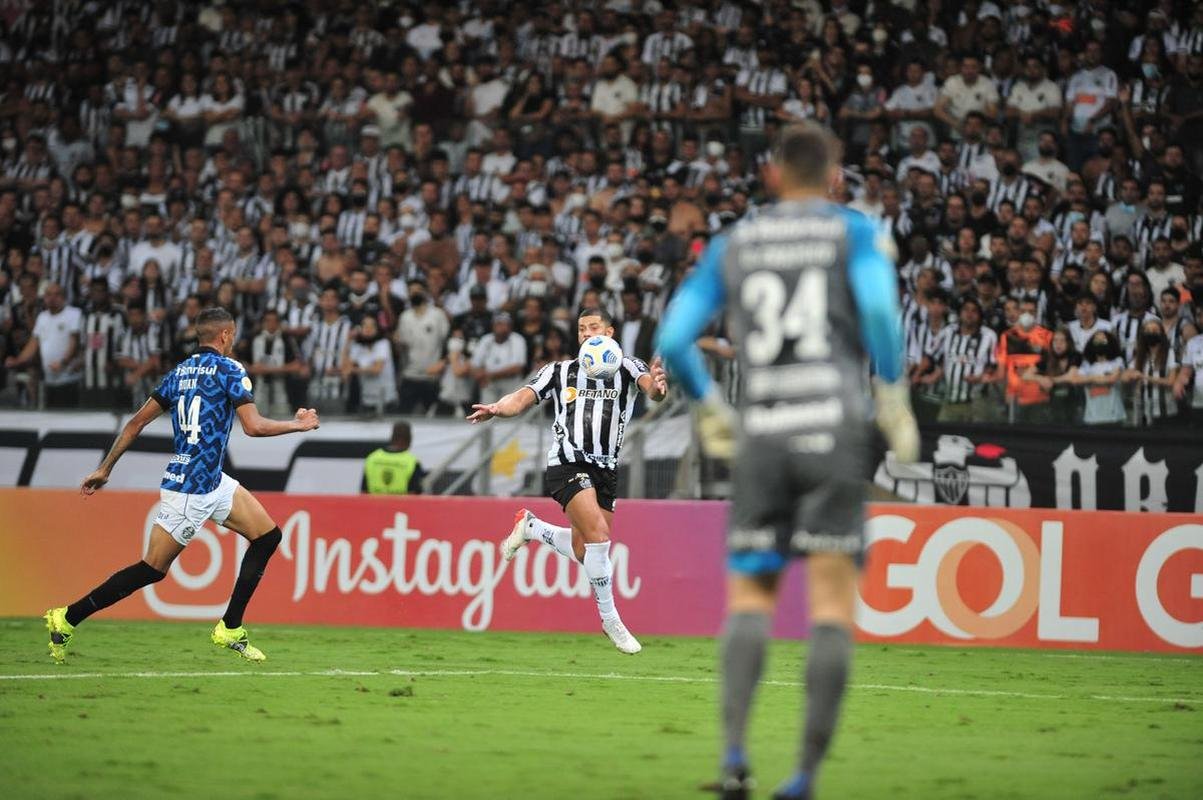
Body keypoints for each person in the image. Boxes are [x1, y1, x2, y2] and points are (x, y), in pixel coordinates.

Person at [655, 122, 919, 800]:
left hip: (762, 433)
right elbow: (884, 318)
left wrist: (709, 406)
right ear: (834, 178)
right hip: (832, 427)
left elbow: (675, 337)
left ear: (772, 176)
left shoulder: (735, 240)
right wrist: (889, 393)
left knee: (751, 596)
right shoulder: (853, 232)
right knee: (829, 604)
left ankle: (735, 761)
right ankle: (802, 778)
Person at [43, 308, 320, 664]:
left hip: (210, 481)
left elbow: (133, 424)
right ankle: (67, 617)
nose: (232, 341)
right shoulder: (230, 370)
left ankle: (230, 627)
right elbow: (252, 427)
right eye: (232, 335)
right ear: (224, 336)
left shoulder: (178, 373)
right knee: (152, 569)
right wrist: (298, 425)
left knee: (267, 537)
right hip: (193, 489)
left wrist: (105, 468)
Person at [466, 307, 668, 654]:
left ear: (610, 333)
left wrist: (660, 387)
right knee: (600, 538)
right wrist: (498, 408)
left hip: (607, 469)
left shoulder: (628, 367)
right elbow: (521, 397)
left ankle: (531, 528)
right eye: (581, 330)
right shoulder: (560, 372)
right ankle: (610, 619)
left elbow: (653, 391)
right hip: (567, 463)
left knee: (582, 549)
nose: (587, 334)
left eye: (594, 328)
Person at [362, 421, 426, 495]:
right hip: (401, 506)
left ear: (392, 437)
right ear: (409, 439)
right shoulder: (412, 462)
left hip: (374, 506)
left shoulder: (372, 458)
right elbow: (414, 496)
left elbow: (363, 492)